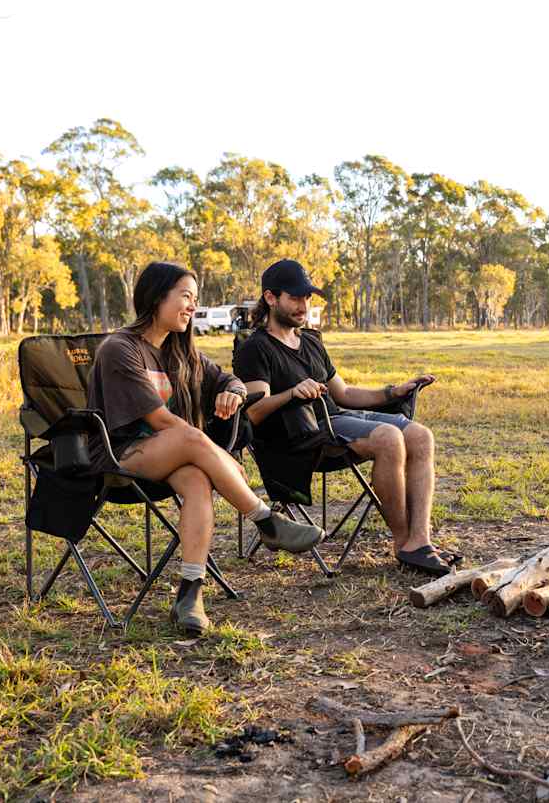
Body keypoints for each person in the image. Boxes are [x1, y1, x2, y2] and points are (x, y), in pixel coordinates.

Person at [87, 261, 323, 635]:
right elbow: (161, 423)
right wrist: (220, 456)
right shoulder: (121, 348)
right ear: (155, 297)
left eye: (195, 300)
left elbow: (232, 379)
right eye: (185, 297)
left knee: (198, 478)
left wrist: (233, 391)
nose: (191, 307)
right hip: (120, 456)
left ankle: (190, 594)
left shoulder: (180, 352)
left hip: (171, 456)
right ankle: (265, 520)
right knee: (194, 442)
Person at [234, 259, 458, 576]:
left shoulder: (310, 340)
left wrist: (393, 392)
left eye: (307, 298)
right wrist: (292, 393)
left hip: (332, 422)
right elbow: (254, 411)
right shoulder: (255, 348)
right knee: (389, 438)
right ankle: (404, 543)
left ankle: (421, 540)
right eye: (295, 297)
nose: (304, 305)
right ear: (271, 298)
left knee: (421, 436)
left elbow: (344, 394)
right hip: (297, 438)